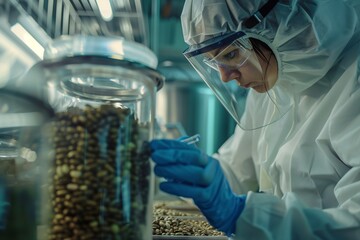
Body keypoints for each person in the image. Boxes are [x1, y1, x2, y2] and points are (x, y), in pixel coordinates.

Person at [150, 0, 360, 239]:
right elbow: (236, 171)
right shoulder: (274, 84)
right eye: (214, 61)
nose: (225, 76)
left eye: (230, 54)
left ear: (283, 22)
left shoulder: (353, 82)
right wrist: (197, 174)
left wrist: (242, 214)